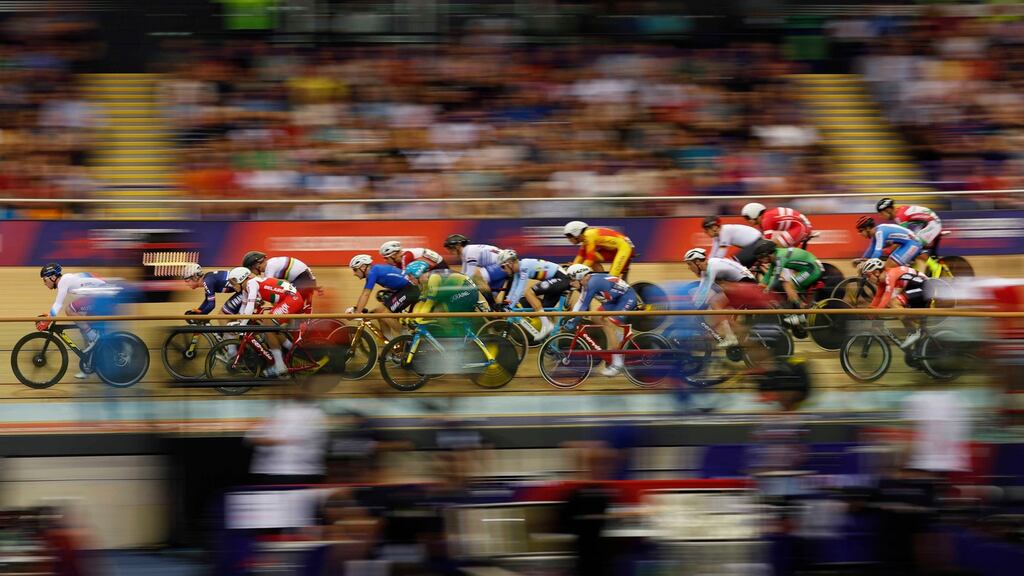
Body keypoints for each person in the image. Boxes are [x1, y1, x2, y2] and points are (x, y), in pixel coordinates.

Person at [227, 266, 305, 378]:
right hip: (288, 299)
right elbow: (243, 308)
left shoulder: (251, 283)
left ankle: (279, 366)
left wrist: (242, 325)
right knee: (271, 328)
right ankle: (294, 351)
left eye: (233, 282)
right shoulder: (246, 288)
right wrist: (240, 321)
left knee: (267, 325)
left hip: (292, 299)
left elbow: (250, 305)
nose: (232, 285)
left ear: (241, 279)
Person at [683, 247, 765, 348]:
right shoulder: (708, 267)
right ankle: (739, 333)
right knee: (724, 312)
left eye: (689, 264)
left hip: (746, 284)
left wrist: (693, 308)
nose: (689, 267)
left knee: (715, 302)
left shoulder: (712, 267)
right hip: (743, 284)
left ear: (697, 262)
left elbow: (704, 291)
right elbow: (701, 289)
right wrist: (693, 303)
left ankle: (731, 337)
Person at [566, 264, 638, 377]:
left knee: (609, 323)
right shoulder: (586, 283)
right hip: (615, 300)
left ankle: (617, 364)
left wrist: (574, 321)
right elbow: (580, 301)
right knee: (595, 316)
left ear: (580, 277)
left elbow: (584, 306)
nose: (570, 283)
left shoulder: (592, 283)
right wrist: (572, 317)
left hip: (627, 298)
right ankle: (617, 337)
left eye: (572, 279)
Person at [39, 263, 108, 379]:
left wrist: (48, 320)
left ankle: (93, 336)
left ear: (53, 277)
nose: (44, 283)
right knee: (84, 328)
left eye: (45, 280)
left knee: (70, 310)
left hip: (101, 295)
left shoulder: (63, 281)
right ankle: (88, 366)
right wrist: (50, 316)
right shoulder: (67, 279)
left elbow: (58, 304)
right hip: (102, 294)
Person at [497, 249, 571, 340]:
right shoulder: (518, 271)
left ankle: (546, 325)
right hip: (555, 279)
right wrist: (507, 302)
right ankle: (552, 342)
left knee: (529, 293)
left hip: (561, 277)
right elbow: (513, 289)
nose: (503, 270)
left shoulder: (524, 267)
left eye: (503, 267)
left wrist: (510, 306)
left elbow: (520, 289)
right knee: (543, 309)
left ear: (510, 263)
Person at [859, 258, 930, 348]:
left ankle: (913, 332)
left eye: (868, 276)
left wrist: (876, 312)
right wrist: (870, 310)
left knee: (893, 303)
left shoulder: (890, 274)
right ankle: (917, 334)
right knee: (899, 309)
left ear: (876, 272)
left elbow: (887, 296)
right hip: (915, 287)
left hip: (924, 286)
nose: (868, 279)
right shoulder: (882, 282)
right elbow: (877, 297)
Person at [347, 254, 416, 339]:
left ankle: (408, 337)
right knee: (378, 313)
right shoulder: (374, 270)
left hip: (409, 290)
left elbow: (366, 294)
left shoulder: (373, 272)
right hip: (403, 290)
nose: (354, 273)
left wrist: (356, 313)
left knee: (385, 315)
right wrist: (359, 310)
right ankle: (390, 345)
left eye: (355, 270)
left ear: (363, 267)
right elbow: (364, 294)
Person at [406, 261, 481, 337]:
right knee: (432, 311)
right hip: (459, 291)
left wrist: (417, 319)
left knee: (437, 311)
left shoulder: (433, 278)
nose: (408, 278)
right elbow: (421, 302)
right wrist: (412, 316)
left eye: (409, 275)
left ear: (417, 274)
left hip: (467, 292)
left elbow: (429, 303)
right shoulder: (425, 282)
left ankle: (455, 338)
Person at [876, 198, 944, 277]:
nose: (881, 216)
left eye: (881, 213)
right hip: (926, 223)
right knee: (911, 246)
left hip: (932, 224)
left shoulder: (899, 216)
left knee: (915, 245)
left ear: (888, 210)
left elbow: (903, 238)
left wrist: (888, 250)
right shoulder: (899, 213)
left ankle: (935, 267)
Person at [755, 245, 825, 313]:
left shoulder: (779, 257)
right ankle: (800, 304)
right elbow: (768, 275)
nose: (760, 261)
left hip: (813, 269)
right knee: (789, 286)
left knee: (788, 285)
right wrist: (759, 288)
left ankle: (800, 312)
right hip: (808, 267)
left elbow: (776, 278)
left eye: (760, 258)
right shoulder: (775, 256)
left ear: (767, 255)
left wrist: (767, 290)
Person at [242, 251, 317, 314]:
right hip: (304, 279)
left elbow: (269, 290)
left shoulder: (270, 267)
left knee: (292, 307)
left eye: (251, 270)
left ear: (257, 265)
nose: (252, 273)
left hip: (303, 279)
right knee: (290, 305)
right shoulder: (270, 264)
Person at [563, 220, 635, 279]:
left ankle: (607, 284)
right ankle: (601, 279)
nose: (569, 239)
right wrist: (574, 266)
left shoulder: (588, 236)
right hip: (614, 249)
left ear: (576, 233)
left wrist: (578, 270)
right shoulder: (586, 237)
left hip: (625, 248)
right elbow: (580, 255)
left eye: (569, 236)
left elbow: (589, 259)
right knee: (593, 259)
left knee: (611, 278)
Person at [856, 216, 922, 268]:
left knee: (888, 268)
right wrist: (862, 260)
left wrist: (867, 263)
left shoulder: (879, 232)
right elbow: (871, 249)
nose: (860, 234)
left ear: (867, 228)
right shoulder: (876, 232)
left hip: (912, 243)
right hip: (907, 244)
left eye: (861, 231)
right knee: (888, 267)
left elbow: (877, 252)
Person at [741, 202, 814, 249]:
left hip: (801, 227)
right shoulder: (764, 219)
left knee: (775, 247)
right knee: (782, 250)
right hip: (800, 226)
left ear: (754, 214)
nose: (747, 220)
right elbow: (760, 239)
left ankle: (786, 272)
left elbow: (767, 241)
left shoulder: (765, 220)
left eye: (747, 218)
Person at [379, 240, 447, 271]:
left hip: (440, 267)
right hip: (433, 268)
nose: (385, 261)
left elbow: (405, 277)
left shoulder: (406, 255)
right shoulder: (399, 262)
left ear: (393, 256)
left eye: (386, 258)